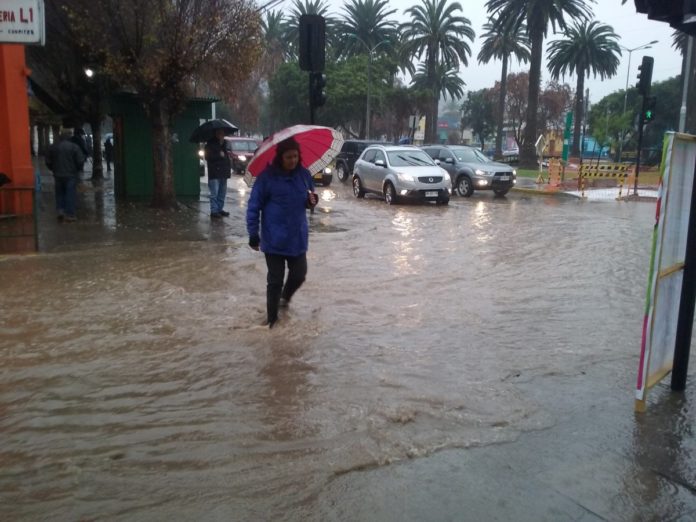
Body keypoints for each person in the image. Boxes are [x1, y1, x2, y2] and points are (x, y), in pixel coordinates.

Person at [246, 137, 318, 328]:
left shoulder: (303, 175)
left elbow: (309, 198)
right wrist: (253, 234)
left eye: (295, 156)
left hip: (297, 238)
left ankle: (284, 299)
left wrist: (311, 201)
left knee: (299, 274)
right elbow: (253, 206)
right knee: (275, 281)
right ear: (280, 157)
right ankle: (272, 322)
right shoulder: (266, 178)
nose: (293, 160)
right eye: (288, 157)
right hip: (274, 239)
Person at [46, 128, 85, 222]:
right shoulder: (74, 147)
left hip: (58, 175)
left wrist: (53, 169)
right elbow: (80, 161)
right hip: (71, 174)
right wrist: (77, 169)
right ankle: (70, 214)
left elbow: (48, 161)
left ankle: (60, 211)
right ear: (69, 136)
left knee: (59, 193)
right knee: (70, 194)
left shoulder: (53, 147)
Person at [205, 128, 232, 218]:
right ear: (216, 134)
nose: (222, 136)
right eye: (220, 134)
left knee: (222, 193)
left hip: (223, 172)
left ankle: (219, 209)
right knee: (214, 193)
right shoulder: (210, 144)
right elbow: (208, 157)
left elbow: (226, 158)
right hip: (215, 172)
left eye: (223, 134)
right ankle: (214, 211)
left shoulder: (224, 144)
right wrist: (219, 155)